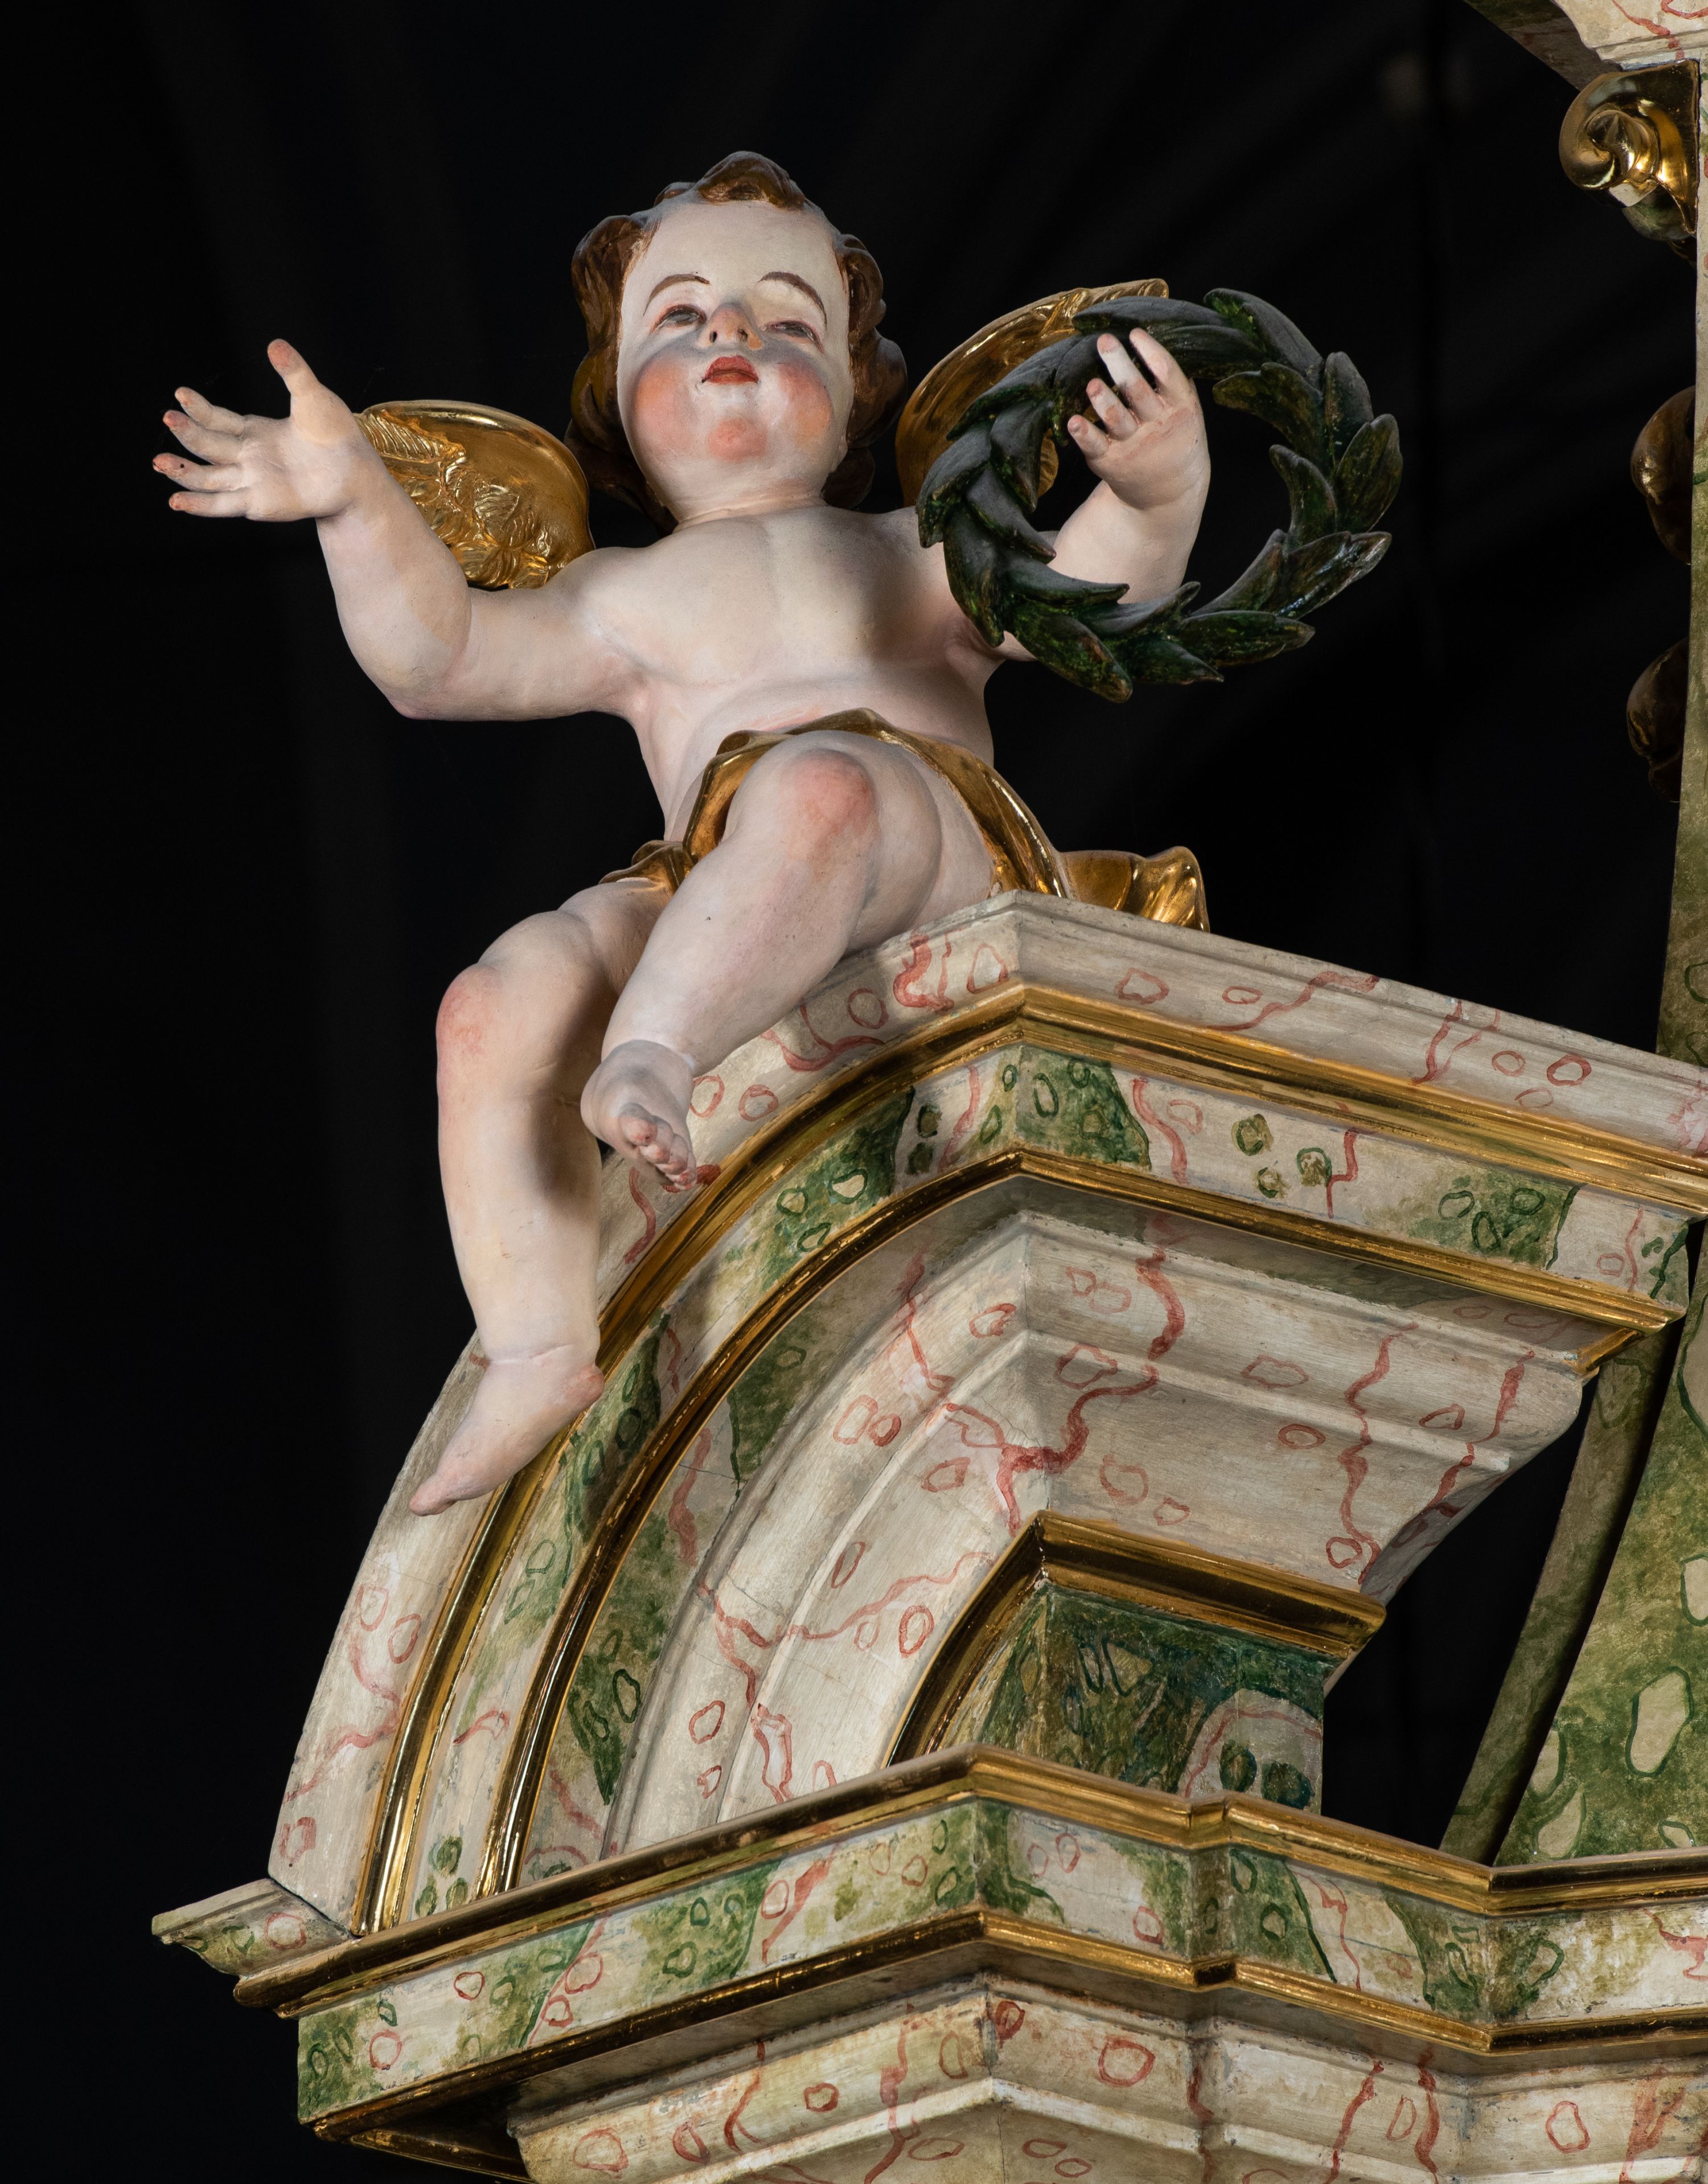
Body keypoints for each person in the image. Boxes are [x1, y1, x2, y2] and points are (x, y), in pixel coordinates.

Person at [153, 153, 1209, 1514]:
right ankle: (537, 1341)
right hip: (713, 873)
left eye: (788, 320)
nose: (734, 333)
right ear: (617, 403)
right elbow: (441, 659)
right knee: (496, 1004)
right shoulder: (623, 595)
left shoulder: (921, 550)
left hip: (925, 838)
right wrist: (357, 503)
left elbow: (1098, 604)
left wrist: (1156, 493)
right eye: (685, 315)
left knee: (820, 791)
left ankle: (652, 1052)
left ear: (856, 395)